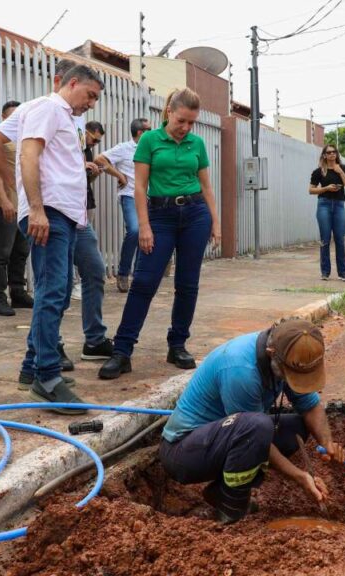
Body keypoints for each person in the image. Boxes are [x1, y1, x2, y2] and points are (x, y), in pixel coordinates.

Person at [0, 64, 104, 414]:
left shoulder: (57, 114)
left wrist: (20, 189)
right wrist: (33, 206)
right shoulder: (48, 108)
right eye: (90, 95)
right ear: (73, 83)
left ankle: (31, 366)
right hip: (49, 212)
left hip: (63, 214)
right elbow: (27, 154)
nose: (91, 103)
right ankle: (47, 378)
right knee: (52, 292)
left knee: (58, 291)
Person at [159, 318, 345, 524]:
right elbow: (255, 436)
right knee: (258, 426)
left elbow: (310, 406)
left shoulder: (284, 354)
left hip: (223, 439)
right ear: (272, 355)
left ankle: (220, 491)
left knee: (296, 427)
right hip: (184, 453)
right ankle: (231, 507)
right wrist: (300, 477)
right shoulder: (241, 370)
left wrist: (327, 442)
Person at [98, 88, 222, 380]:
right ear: (169, 112)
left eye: (191, 123)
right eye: (182, 121)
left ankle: (177, 345)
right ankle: (122, 351)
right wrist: (144, 226)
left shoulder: (197, 143)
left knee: (187, 284)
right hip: (160, 216)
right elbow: (139, 186)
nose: (186, 128)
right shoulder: (150, 140)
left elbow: (206, 186)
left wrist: (215, 222)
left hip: (195, 214)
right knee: (144, 281)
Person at [0, 100, 33, 316]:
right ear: (4, 118)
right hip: (7, 203)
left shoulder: (25, 140)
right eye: (13, 116)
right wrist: (5, 201)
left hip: (24, 205)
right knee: (2, 251)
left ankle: (18, 292)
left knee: (21, 250)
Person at [96, 118, 152, 293]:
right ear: (140, 133)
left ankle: (139, 275)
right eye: (149, 129)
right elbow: (100, 159)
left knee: (148, 234)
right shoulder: (124, 148)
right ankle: (123, 273)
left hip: (150, 197)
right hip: (129, 195)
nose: (153, 132)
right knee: (135, 230)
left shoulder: (152, 149)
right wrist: (119, 175)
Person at [75, 120, 115, 360]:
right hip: (56, 214)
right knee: (55, 284)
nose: (94, 143)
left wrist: (91, 173)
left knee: (95, 271)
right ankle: (43, 350)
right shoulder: (49, 123)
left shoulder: (81, 141)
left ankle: (94, 340)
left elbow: (81, 180)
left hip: (79, 216)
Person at [309, 145, 345, 281]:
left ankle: (343, 273)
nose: (332, 154)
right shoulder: (319, 172)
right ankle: (325, 272)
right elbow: (311, 190)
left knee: (340, 239)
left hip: (339, 205)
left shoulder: (344, 169)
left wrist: (340, 172)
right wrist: (326, 188)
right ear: (324, 155)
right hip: (324, 205)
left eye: (334, 152)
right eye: (328, 152)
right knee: (325, 239)